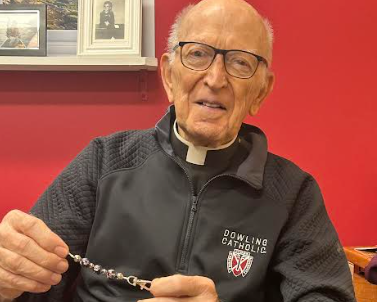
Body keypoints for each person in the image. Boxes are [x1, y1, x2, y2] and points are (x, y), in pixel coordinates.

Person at [0, 0, 356, 301]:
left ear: (261, 91)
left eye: (240, 62)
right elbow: (30, 282)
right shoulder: (102, 161)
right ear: (169, 75)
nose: (216, 79)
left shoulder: (293, 193)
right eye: (198, 54)